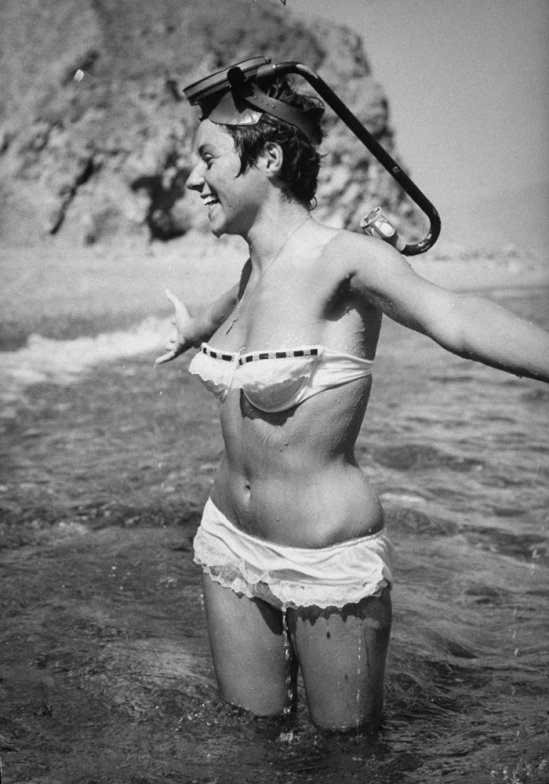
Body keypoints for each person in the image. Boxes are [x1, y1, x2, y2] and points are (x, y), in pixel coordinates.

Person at [156, 69, 549, 733]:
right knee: (249, 743)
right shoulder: (253, 269)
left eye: (207, 158)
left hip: (326, 562)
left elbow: (454, 317)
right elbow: (228, 311)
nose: (194, 180)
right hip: (226, 543)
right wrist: (192, 330)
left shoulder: (347, 259)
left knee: (350, 758)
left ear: (268, 158)